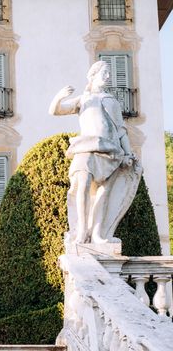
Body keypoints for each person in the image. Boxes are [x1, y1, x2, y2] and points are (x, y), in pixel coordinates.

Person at [49, 60, 140, 244]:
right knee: (82, 184)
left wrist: (128, 153)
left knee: (103, 192)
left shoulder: (111, 101)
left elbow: (120, 130)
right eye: (104, 73)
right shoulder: (84, 99)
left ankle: (97, 233)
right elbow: (55, 111)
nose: (108, 77)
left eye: (109, 73)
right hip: (86, 147)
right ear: (92, 75)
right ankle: (82, 230)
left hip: (111, 150)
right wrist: (59, 97)